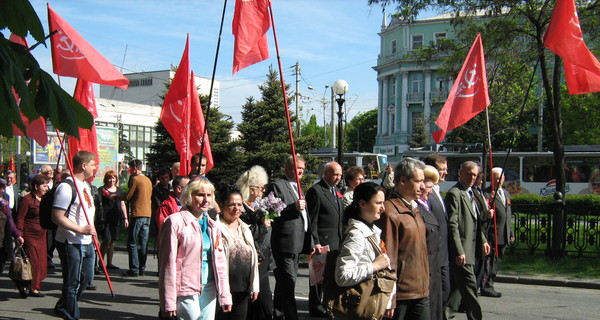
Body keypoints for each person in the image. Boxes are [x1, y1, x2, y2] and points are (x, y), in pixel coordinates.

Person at [158, 178, 232, 320]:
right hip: (185, 288)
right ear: (189, 196)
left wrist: (225, 295)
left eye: (209, 195)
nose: (206, 199)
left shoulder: (213, 225)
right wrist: (168, 303)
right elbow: (167, 265)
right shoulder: (174, 222)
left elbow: (221, 263)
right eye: (200, 195)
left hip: (209, 287)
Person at [375, 157, 430, 319]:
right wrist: (390, 296)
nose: (422, 186)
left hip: (420, 290)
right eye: (418, 181)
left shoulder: (414, 208)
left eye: (423, 181)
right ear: (403, 181)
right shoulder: (390, 212)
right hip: (401, 294)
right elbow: (388, 257)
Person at [335, 182, 394, 319]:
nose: (383, 208)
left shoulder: (371, 230)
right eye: (378, 203)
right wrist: (375, 266)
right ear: (362, 204)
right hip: (359, 307)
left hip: (369, 305)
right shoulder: (356, 235)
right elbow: (342, 276)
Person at [52, 151, 97, 320]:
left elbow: (89, 215)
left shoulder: (85, 186)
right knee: (72, 283)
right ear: (83, 165)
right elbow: (57, 216)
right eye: (92, 164)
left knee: (87, 278)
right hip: (70, 241)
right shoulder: (66, 187)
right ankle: (72, 315)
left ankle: (62, 305)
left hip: (87, 241)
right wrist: (80, 229)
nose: (95, 168)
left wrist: (93, 235)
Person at [445, 161, 491, 320]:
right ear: (460, 173)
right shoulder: (455, 193)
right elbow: (453, 224)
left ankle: (445, 314)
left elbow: (475, 222)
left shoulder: (471, 193)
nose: (472, 177)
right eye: (469, 174)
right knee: (471, 288)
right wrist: (458, 250)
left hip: (471, 249)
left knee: (458, 288)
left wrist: (483, 240)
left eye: (475, 174)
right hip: (462, 251)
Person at [267, 155, 309, 320]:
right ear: (288, 168)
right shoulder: (278, 186)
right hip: (284, 243)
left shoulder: (298, 187)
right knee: (289, 283)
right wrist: (292, 207)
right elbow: (271, 212)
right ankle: (292, 316)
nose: (300, 172)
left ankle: (278, 312)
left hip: (297, 242)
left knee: (284, 283)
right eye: (297, 168)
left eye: (302, 169)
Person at [215, 187, 260, 320]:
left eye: (239, 204)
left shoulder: (245, 228)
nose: (237, 208)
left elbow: (253, 260)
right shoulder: (215, 228)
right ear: (222, 206)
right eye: (232, 204)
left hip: (243, 290)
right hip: (222, 290)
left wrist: (254, 286)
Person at [306, 161, 344, 317]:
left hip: (337, 241)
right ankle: (315, 306)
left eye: (340, 175)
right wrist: (315, 241)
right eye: (335, 174)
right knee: (318, 278)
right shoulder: (316, 191)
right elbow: (311, 220)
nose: (338, 178)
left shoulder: (337, 191)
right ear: (326, 173)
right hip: (322, 241)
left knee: (331, 278)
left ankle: (328, 304)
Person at [235, 165, 273, 320]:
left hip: (262, 264)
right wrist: (263, 227)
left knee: (264, 307)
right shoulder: (241, 209)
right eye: (261, 188)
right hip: (249, 263)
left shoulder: (258, 207)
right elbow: (245, 235)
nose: (263, 192)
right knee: (255, 306)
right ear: (251, 189)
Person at [15, 175, 50, 297]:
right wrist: (19, 234)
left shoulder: (46, 199)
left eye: (47, 185)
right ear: (36, 186)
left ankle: (33, 285)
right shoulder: (26, 200)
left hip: (42, 234)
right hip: (29, 234)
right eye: (44, 185)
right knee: (32, 261)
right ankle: (28, 286)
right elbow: (20, 218)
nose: (46, 188)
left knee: (41, 261)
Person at [116, 159, 152, 277]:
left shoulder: (136, 179)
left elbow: (128, 196)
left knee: (132, 242)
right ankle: (142, 267)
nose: (129, 171)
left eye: (130, 168)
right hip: (147, 214)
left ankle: (134, 268)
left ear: (135, 168)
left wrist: (115, 197)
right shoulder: (148, 180)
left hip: (137, 214)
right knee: (144, 242)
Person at [482, 167, 515, 298]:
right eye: (495, 178)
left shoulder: (506, 193)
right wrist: (489, 201)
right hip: (492, 234)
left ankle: (491, 281)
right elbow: (483, 214)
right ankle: (486, 285)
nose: (498, 180)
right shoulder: (486, 193)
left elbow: (508, 214)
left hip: (504, 234)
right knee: (490, 262)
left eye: (500, 178)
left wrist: (511, 232)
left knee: (497, 261)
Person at [416, 166, 443, 320]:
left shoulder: (426, 206)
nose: (431, 191)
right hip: (424, 271)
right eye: (428, 187)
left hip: (434, 267)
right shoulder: (416, 208)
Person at [98, 171, 128, 270]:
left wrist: (125, 218)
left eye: (113, 178)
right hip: (105, 218)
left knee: (113, 240)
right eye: (109, 178)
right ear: (106, 179)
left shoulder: (119, 190)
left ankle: (109, 263)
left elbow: (123, 204)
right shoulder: (101, 190)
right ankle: (101, 261)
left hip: (115, 218)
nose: (111, 180)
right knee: (106, 239)